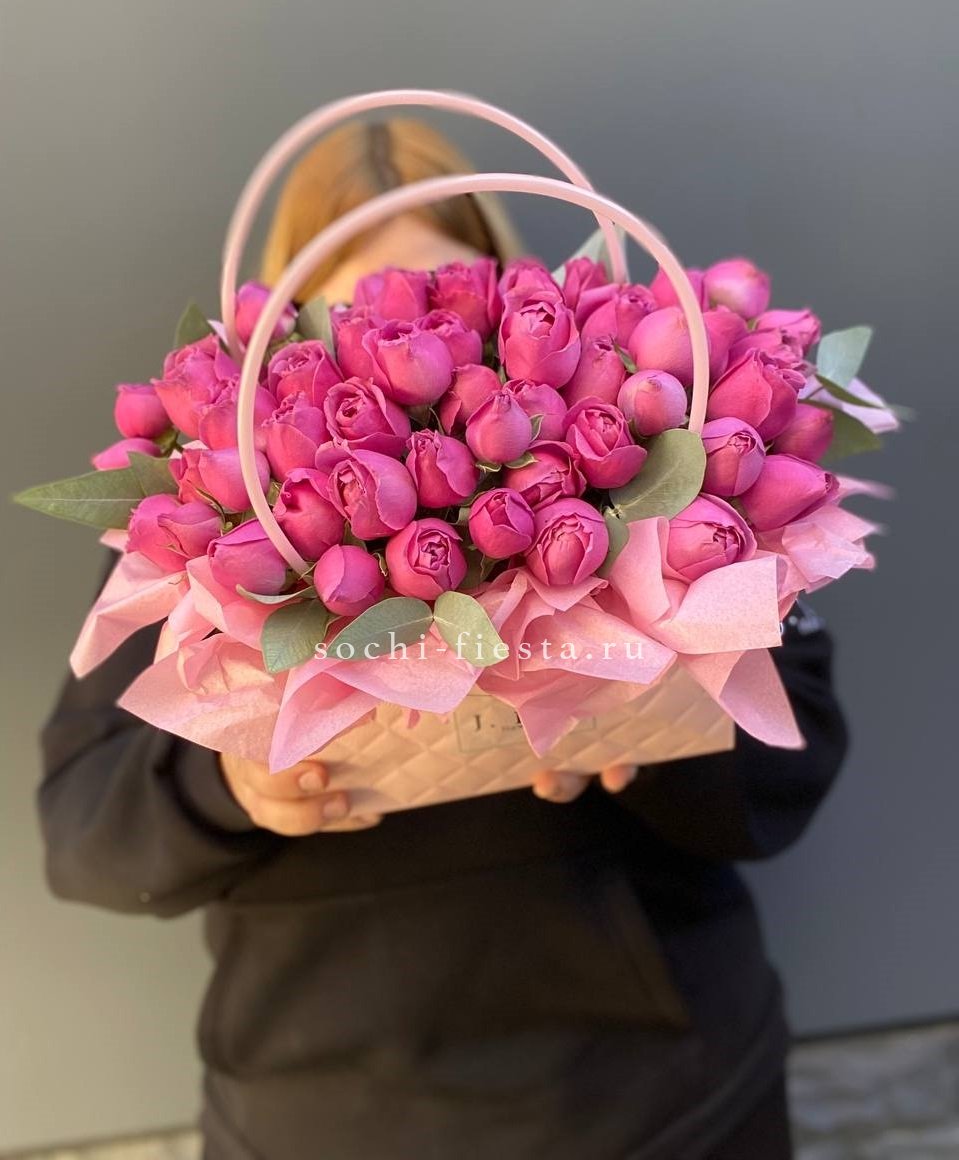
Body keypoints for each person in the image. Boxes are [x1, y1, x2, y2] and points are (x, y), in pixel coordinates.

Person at [38, 118, 848, 1160]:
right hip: (326, 1123)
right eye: (357, 316)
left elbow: (799, 749)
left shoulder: (656, 496)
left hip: (664, 1104)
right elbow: (83, 832)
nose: (402, 350)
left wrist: (646, 725)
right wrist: (227, 788)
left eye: (438, 306)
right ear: (281, 342)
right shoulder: (200, 547)